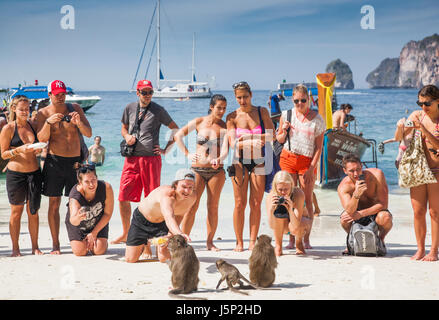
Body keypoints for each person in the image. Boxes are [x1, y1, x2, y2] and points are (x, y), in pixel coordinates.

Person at [112, 80, 179, 252]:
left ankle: (149, 238)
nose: (147, 95)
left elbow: (175, 129)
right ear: (138, 93)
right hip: (131, 159)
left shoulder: (158, 110)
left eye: (150, 92)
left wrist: (166, 149)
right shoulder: (129, 108)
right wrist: (127, 136)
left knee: (151, 199)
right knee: (123, 196)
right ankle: (127, 232)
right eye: (144, 92)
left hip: (151, 160)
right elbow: (123, 128)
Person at [36, 80, 92, 254]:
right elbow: (41, 140)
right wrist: (48, 123)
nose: (61, 97)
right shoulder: (42, 113)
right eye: (57, 94)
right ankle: (55, 244)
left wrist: (78, 123)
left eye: (63, 93)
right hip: (54, 161)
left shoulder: (75, 108)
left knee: (78, 201)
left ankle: (80, 239)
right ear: (49, 95)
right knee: (54, 203)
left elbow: (89, 133)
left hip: (75, 162)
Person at [175, 94, 229, 251]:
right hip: (197, 169)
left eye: (224, 108)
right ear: (212, 107)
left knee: (213, 207)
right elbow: (178, 135)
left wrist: (219, 158)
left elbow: (225, 149)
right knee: (191, 206)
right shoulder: (199, 122)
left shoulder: (225, 127)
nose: (222, 111)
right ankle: (183, 242)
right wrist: (188, 154)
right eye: (219, 107)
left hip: (216, 171)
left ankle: (210, 242)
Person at [226, 81, 274, 252]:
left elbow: (271, 136)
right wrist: (257, 138)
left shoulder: (262, 112)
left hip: (259, 161)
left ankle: (252, 241)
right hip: (239, 163)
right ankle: (239, 242)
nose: (242, 100)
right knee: (239, 203)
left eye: (245, 97)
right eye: (239, 97)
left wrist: (246, 139)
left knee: (256, 202)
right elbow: (233, 144)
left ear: (251, 95)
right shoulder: (232, 117)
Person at [276, 84, 325, 249]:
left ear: (309, 99)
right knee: (288, 199)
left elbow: (319, 147)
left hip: (307, 162)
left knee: (306, 199)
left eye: (303, 100)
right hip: (288, 158)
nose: (299, 104)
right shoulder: (287, 115)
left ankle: (306, 239)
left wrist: (312, 168)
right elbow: (280, 140)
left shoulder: (317, 119)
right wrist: (283, 130)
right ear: (292, 100)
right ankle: (291, 238)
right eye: (296, 101)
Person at [394, 84, 439, 261]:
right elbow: (399, 137)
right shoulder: (417, 115)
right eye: (420, 103)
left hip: (437, 171)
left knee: (435, 212)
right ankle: (420, 249)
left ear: (437, 101)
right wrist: (400, 127)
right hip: (418, 170)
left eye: (427, 103)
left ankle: (434, 251)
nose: (423, 107)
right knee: (418, 211)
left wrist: (423, 129)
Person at [0, 96, 44, 256]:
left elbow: (38, 146)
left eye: (27, 109)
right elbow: (3, 154)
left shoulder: (32, 126)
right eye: (22, 109)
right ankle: (15, 249)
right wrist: (19, 150)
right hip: (16, 174)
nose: (25, 112)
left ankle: (35, 247)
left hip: (34, 173)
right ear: (14, 109)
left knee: (33, 211)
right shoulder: (8, 129)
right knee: (16, 212)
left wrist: (38, 150)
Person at [124, 168, 196, 263]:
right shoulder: (166, 195)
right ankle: (146, 244)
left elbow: (179, 215)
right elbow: (169, 216)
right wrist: (180, 233)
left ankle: (153, 242)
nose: (187, 191)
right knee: (130, 259)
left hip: (162, 224)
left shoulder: (191, 198)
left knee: (164, 259)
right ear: (175, 184)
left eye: (191, 187)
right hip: (142, 220)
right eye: (184, 186)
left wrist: (170, 235)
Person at [338, 153, 393, 254]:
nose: (356, 174)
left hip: (376, 212)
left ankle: (380, 240)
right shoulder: (343, 187)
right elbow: (350, 211)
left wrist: (361, 214)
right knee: (344, 218)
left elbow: (383, 204)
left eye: (358, 169)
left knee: (385, 217)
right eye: (351, 171)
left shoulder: (377, 175)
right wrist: (356, 194)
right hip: (356, 214)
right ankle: (353, 239)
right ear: (345, 171)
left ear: (361, 166)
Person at [66, 164, 114, 256]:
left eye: (93, 180)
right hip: (79, 225)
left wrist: (94, 233)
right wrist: (78, 218)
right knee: (80, 252)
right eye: (87, 182)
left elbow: (108, 214)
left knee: (99, 251)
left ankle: (103, 241)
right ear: (80, 182)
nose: (91, 184)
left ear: (97, 177)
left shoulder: (106, 188)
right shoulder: (75, 195)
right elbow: (73, 220)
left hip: (98, 220)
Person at [266, 171, 311, 256]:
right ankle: (278, 245)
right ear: (275, 187)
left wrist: (290, 209)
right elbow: (272, 226)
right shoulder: (272, 196)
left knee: (299, 225)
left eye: (286, 189)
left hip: (300, 224)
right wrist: (272, 210)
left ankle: (299, 243)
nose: (283, 192)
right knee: (278, 217)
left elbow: (296, 225)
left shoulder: (298, 194)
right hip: (283, 224)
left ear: (291, 185)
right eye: (280, 189)